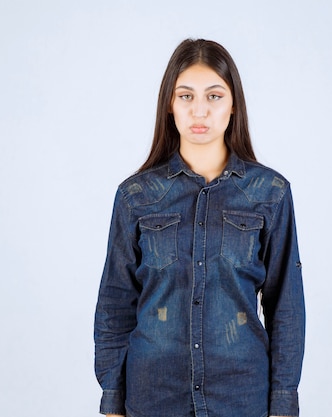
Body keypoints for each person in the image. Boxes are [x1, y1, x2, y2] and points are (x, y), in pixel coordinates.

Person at [94, 38, 305, 417]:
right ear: (170, 106)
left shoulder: (270, 194)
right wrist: (112, 401)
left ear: (233, 105)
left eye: (214, 96)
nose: (200, 111)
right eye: (186, 96)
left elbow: (286, 308)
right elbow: (114, 304)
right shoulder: (136, 196)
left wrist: (283, 403)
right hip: (153, 395)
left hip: (240, 395)